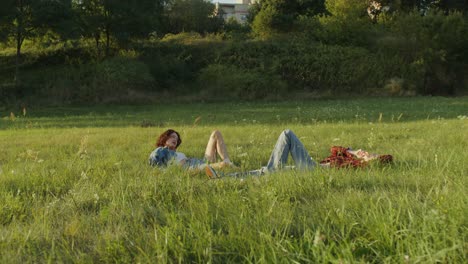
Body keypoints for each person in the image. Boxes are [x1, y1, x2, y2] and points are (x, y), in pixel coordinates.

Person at [205, 129, 316, 178]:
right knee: (264, 171)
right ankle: (225, 178)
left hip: (312, 170)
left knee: (287, 134)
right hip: (314, 168)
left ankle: (224, 178)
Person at [148, 129, 236, 170]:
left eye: (176, 138)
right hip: (194, 168)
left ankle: (227, 160)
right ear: (164, 139)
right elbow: (154, 161)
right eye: (172, 137)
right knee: (224, 165)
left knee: (216, 133)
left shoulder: (178, 153)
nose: (175, 139)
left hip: (202, 161)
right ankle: (232, 166)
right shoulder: (161, 150)